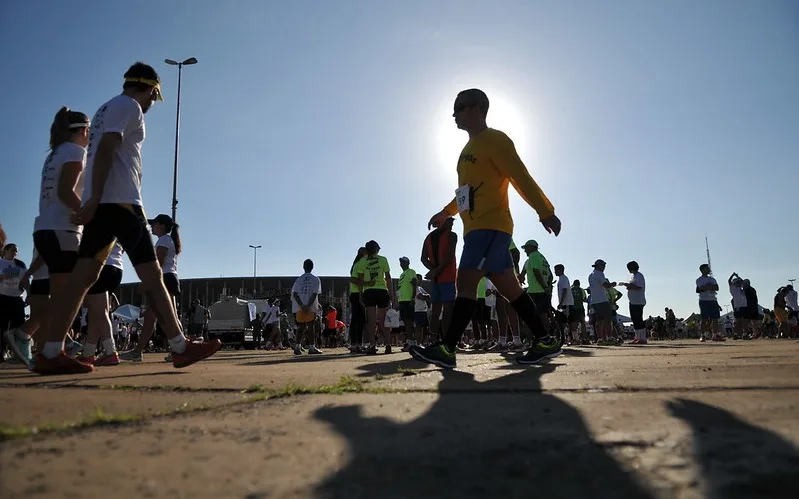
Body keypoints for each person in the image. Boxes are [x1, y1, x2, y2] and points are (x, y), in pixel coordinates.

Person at [31, 62, 220, 374]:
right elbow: (107, 148)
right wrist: (93, 197)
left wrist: (93, 198)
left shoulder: (105, 108)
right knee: (153, 276)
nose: (150, 106)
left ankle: (51, 351)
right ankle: (180, 347)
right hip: (122, 203)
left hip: (104, 205)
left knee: (81, 280)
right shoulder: (129, 106)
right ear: (150, 89)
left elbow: (103, 150)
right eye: (152, 98)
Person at [409, 88, 562, 368]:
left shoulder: (496, 140)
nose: (454, 114)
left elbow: (520, 177)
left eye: (460, 107)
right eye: (453, 108)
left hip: (490, 227)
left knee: (465, 282)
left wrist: (545, 211)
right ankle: (545, 340)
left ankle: (447, 348)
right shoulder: (467, 149)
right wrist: (446, 212)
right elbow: (465, 192)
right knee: (510, 288)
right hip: (477, 228)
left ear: (479, 108)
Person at [76, 243, 124, 365]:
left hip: (101, 266)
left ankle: (111, 352)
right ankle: (89, 353)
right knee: (95, 313)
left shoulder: (94, 223)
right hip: (116, 267)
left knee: (100, 312)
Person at [420, 217, 457, 342]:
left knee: (436, 311)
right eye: (450, 222)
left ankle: (433, 339)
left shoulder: (428, 238)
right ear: (442, 223)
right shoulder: (452, 236)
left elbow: (423, 258)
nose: (452, 225)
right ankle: (445, 340)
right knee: (447, 310)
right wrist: (437, 270)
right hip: (447, 278)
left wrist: (434, 270)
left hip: (436, 279)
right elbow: (449, 254)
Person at [355, 240, 394, 354]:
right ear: (377, 249)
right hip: (382, 290)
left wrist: (361, 294)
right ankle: (388, 344)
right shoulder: (383, 259)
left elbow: (360, 280)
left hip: (369, 291)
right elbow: (388, 277)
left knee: (371, 321)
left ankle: (372, 344)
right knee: (383, 320)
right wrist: (391, 294)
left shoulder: (362, 261)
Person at [0, 244, 28, 363]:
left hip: (17, 298)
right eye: (12, 251)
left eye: (16, 251)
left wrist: (30, 294)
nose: (15, 253)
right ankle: (2, 351)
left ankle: (20, 353)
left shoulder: (20, 264)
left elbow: (26, 280)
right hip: (2, 297)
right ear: (5, 251)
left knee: (19, 326)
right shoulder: (0, 263)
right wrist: (3, 276)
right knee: (2, 326)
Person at [291, 259, 323, 355]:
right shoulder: (316, 279)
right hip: (311, 306)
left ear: (303, 267)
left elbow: (295, 294)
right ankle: (311, 347)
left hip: (300, 307)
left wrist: (301, 305)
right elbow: (314, 294)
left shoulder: (299, 279)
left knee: (301, 327)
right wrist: (309, 305)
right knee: (310, 327)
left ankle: (297, 346)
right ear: (312, 267)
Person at [588, 260, 617, 345]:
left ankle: (600, 339)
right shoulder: (600, 274)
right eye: (603, 266)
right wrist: (612, 284)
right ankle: (610, 338)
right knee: (608, 320)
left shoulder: (590, 275)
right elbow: (605, 285)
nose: (604, 268)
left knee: (599, 321)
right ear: (599, 266)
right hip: (602, 300)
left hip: (594, 301)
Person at [617, 261, 647, 344]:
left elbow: (639, 287)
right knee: (634, 320)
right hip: (632, 301)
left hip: (638, 301)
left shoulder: (639, 276)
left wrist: (627, 285)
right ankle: (637, 337)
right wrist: (629, 287)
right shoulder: (633, 276)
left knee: (639, 319)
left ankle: (643, 338)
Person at [348, 247, 370, 353]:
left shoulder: (361, 264)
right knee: (356, 319)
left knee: (361, 320)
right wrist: (367, 284)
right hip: (356, 294)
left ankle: (358, 343)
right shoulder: (358, 264)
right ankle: (353, 344)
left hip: (360, 293)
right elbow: (353, 279)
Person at [696, 264, 724, 342]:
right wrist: (709, 286)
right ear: (702, 270)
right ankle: (703, 335)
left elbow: (717, 288)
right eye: (707, 268)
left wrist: (708, 286)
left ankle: (715, 335)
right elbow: (702, 288)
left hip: (713, 300)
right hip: (704, 300)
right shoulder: (699, 280)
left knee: (715, 318)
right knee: (704, 318)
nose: (709, 269)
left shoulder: (712, 279)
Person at [397, 257, 419, 348]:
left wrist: (413, 298)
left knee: (409, 321)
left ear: (408, 263)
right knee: (406, 321)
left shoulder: (411, 272)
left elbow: (414, 284)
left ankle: (411, 341)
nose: (402, 264)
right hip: (402, 301)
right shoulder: (402, 274)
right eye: (401, 262)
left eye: (403, 262)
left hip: (408, 300)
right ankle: (409, 340)